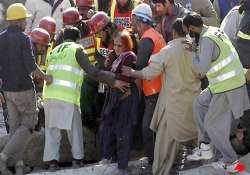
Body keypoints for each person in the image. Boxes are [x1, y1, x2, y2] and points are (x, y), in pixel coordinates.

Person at [42, 26, 129, 170]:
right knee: (74, 129)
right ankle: (77, 160)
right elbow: (93, 72)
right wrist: (114, 81)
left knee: (52, 130)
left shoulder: (54, 51)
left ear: (63, 38)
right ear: (77, 39)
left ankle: (52, 163)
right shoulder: (77, 49)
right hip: (67, 96)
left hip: (49, 95)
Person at [122, 18, 201, 175]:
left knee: (163, 148)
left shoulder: (169, 50)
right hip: (193, 103)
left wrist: (133, 73)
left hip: (172, 105)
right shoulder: (195, 48)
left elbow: (150, 72)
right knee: (196, 140)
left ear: (173, 32)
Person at [183, 13, 250, 173]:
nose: (188, 34)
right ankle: (205, 146)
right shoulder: (212, 30)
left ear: (192, 28)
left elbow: (201, 69)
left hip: (228, 86)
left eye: (188, 31)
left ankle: (231, 161)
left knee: (212, 125)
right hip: (222, 83)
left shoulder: (206, 40)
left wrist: (193, 50)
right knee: (199, 104)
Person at [0, 3, 52, 175]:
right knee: (29, 125)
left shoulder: (0, 38)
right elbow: (31, 67)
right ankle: (3, 158)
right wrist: (46, 77)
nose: (26, 23)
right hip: (24, 88)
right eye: (25, 19)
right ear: (20, 20)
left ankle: (18, 166)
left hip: (8, 90)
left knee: (15, 129)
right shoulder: (23, 39)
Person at [99, 30, 139, 175]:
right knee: (109, 129)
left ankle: (122, 166)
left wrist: (109, 76)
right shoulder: (115, 57)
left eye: (120, 46)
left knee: (123, 132)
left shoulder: (129, 56)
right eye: (115, 45)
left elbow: (126, 79)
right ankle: (110, 158)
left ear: (127, 45)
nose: (116, 48)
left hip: (126, 100)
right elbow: (109, 75)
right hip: (115, 99)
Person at [131, 3, 166, 165]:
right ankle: (158, 157)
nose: (131, 25)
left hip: (154, 88)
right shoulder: (155, 35)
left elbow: (139, 67)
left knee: (148, 127)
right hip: (160, 86)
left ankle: (155, 161)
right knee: (155, 126)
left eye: (133, 21)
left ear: (140, 21)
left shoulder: (147, 40)